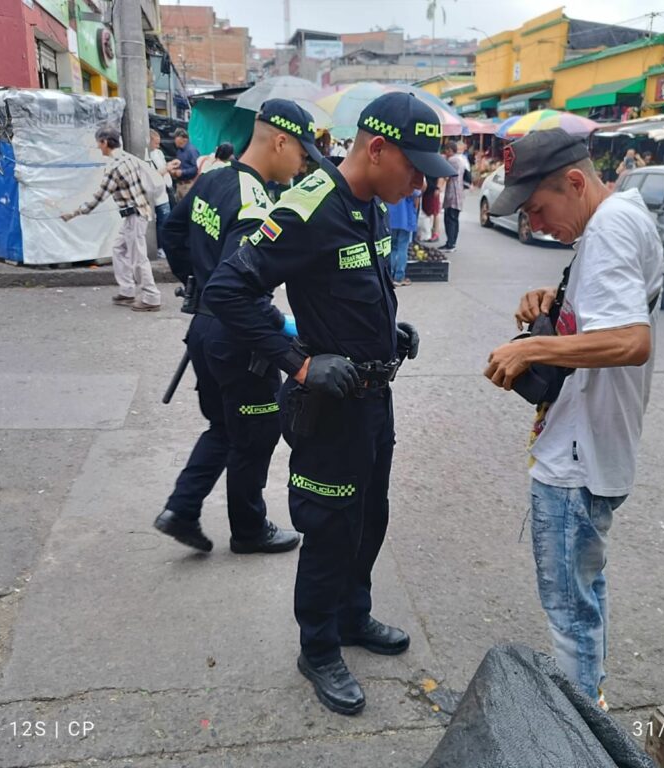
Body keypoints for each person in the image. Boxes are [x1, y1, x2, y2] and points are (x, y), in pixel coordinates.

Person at [203, 92, 454, 716]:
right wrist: (301, 361)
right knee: (328, 530)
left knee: (370, 517)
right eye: (415, 168)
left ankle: (351, 617)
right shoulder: (308, 207)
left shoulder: (369, 206)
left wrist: (387, 333)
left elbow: (348, 290)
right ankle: (317, 647)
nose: (421, 183)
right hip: (328, 409)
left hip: (372, 398)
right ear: (377, 149)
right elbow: (228, 289)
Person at [483, 129, 664, 710]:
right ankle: (593, 705)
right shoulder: (619, 217)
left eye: (538, 208)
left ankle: (581, 729)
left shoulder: (608, 226)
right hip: (596, 447)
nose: (534, 224)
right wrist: (556, 302)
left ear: (577, 182)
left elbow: (630, 340)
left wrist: (530, 350)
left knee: (568, 613)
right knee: (584, 597)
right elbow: (613, 312)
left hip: (578, 462)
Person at [153, 99, 319, 556]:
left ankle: (181, 509)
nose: (304, 163)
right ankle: (249, 530)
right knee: (257, 434)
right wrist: (282, 332)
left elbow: (172, 233)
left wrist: (195, 282)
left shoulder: (211, 180)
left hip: (205, 333)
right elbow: (238, 288)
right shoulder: (256, 200)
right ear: (280, 141)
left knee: (224, 428)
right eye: (302, 152)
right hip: (236, 338)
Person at [61, 126, 161, 312]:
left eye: (99, 143)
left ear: (105, 142)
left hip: (134, 216)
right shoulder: (127, 158)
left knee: (138, 258)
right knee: (119, 248)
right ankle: (127, 290)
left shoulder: (114, 167)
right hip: (138, 212)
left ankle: (151, 297)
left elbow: (98, 197)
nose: (99, 148)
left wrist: (73, 213)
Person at [147, 129, 176, 258]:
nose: (158, 146)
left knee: (166, 220)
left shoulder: (158, 153)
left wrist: (169, 167)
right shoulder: (145, 156)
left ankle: (164, 246)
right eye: (156, 143)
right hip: (154, 194)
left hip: (164, 191)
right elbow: (152, 175)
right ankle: (160, 247)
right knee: (161, 222)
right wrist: (166, 169)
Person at [387, 186, 421, 286]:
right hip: (405, 219)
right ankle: (399, 277)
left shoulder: (389, 179)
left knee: (391, 247)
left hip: (391, 218)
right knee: (402, 248)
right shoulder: (409, 181)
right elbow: (416, 197)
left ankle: (389, 275)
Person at [442, 141, 466, 253]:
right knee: (454, 220)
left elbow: (445, 174)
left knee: (450, 219)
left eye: (446, 150)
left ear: (450, 150)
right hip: (458, 193)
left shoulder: (452, 160)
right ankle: (451, 243)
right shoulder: (460, 159)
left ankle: (450, 243)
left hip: (453, 193)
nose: (445, 153)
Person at [170, 129, 200, 202]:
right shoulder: (179, 151)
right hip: (179, 185)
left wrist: (182, 172)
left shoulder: (192, 151)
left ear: (183, 139)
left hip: (188, 186)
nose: (174, 140)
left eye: (175, 138)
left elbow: (197, 168)